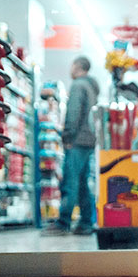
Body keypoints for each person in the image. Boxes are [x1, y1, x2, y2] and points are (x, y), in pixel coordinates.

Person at [43, 56, 99, 236]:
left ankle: (63, 222)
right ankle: (86, 223)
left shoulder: (78, 85)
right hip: (88, 140)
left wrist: (67, 136)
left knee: (70, 181)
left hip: (77, 140)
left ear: (77, 66)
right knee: (83, 183)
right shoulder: (91, 87)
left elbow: (74, 113)